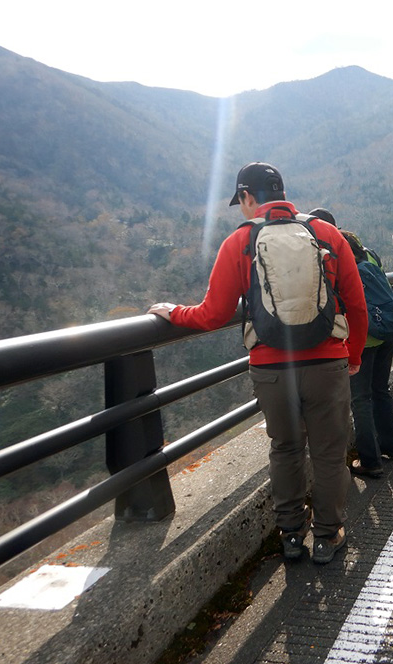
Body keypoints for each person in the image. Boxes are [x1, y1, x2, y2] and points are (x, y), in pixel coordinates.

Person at [148, 162, 367, 564]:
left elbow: (213, 314)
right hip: (326, 363)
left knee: (285, 448)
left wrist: (175, 312)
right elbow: (356, 305)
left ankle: (291, 536)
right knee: (329, 453)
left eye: (241, 201)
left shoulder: (241, 241)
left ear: (248, 197)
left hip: (269, 368)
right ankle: (327, 536)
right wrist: (352, 357)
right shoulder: (327, 234)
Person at [335, 221, 393, 479]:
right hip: (385, 334)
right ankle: (391, 446)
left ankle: (370, 460)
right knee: (381, 391)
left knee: (360, 400)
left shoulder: (345, 267)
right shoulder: (371, 257)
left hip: (363, 340)